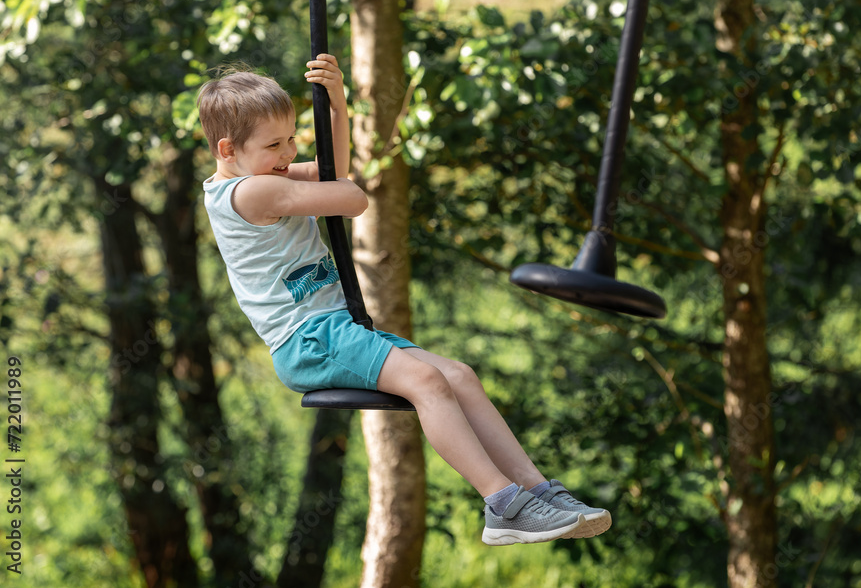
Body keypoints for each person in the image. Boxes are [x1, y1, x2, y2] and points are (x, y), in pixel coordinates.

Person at [199, 54, 611, 545]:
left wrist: (336, 103)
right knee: (428, 383)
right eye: (274, 144)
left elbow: (336, 169)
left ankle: (537, 490)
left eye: (292, 138)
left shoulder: (266, 174)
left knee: (459, 376)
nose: (288, 151)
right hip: (307, 338)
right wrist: (338, 183)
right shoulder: (251, 193)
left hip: (337, 330)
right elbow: (350, 196)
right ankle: (503, 505)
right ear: (227, 149)